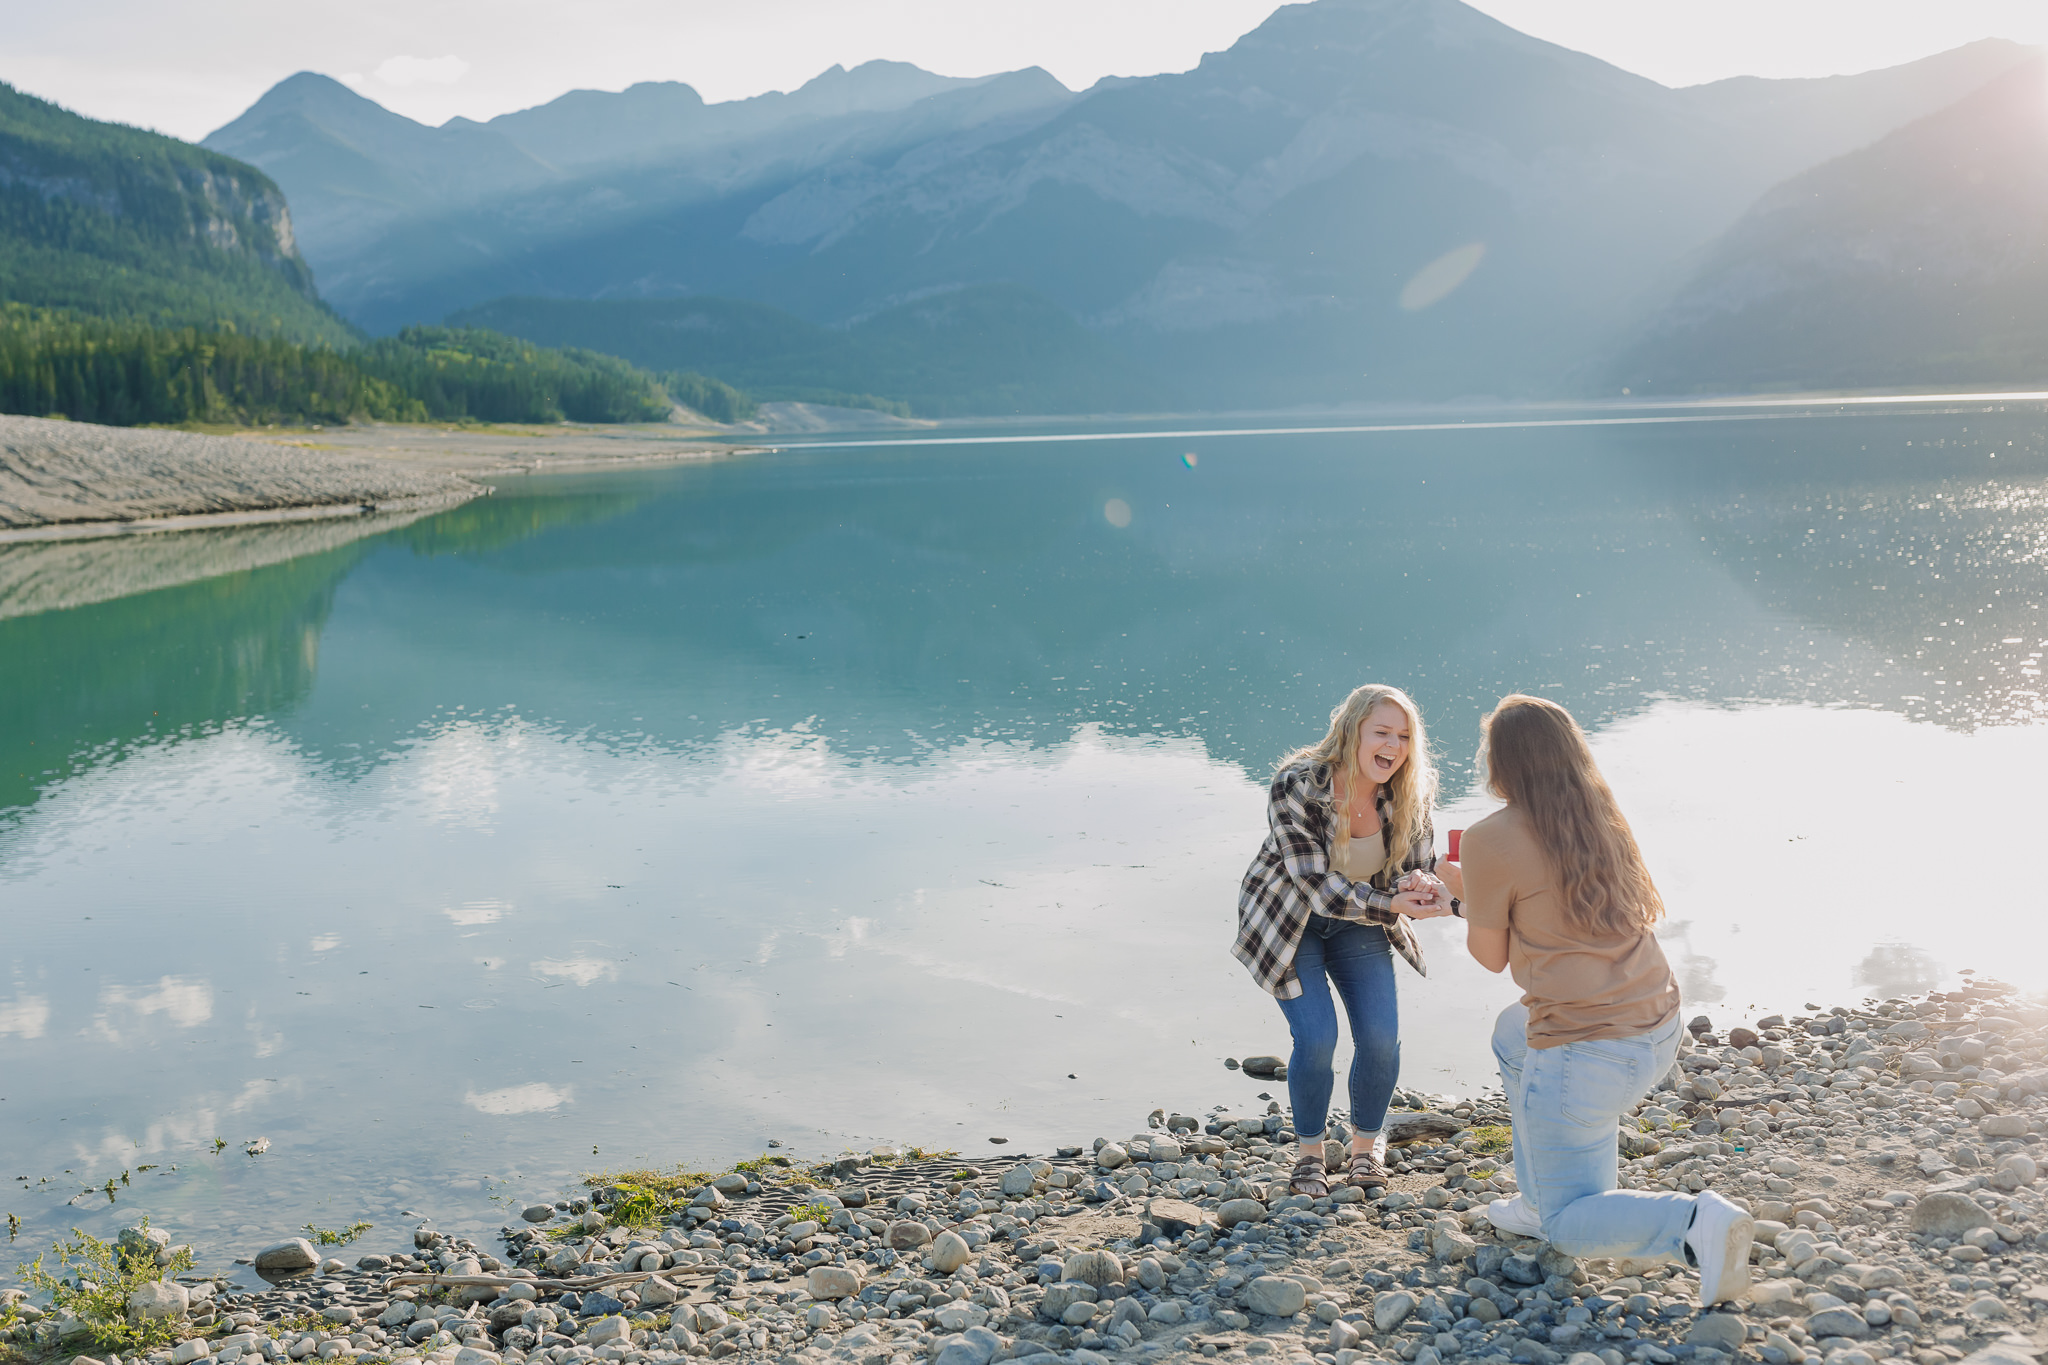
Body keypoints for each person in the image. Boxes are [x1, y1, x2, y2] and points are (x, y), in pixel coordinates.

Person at [1434, 694, 1752, 1305]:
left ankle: (1695, 1223)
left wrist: (1458, 897)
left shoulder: (1488, 837)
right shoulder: (1595, 814)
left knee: (1569, 1226)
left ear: (1503, 762)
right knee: (1510, 1034)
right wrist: (1473, 896)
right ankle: (1538, 1197)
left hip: (1588, 1054)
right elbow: (1551, 915)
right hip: (1657, 1028)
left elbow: (1491, 956)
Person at [1234, 684, 1456, 1199]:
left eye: (1403, 736)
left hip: (1362, 923)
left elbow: (1415, 868)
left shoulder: (1409, 794)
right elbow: (1313, 885)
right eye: (1381, 732)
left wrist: (1419, 887)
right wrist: (1392, 905)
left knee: (1381, 1039)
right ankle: (1310, 1156)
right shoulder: (1297, 785)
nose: (1394, 746)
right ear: (1351, 730)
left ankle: (1364, 1150)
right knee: (1316, 1040)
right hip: (1290, 923)